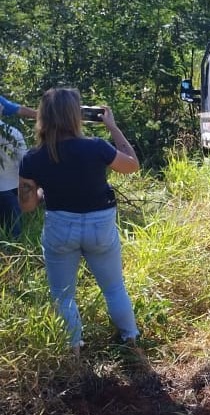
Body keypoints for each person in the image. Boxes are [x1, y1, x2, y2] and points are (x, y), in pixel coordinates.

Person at [18, 87, 140, 354]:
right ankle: (130, 340)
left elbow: (27, 206)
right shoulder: (95, 147)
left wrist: (40, 192)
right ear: (75, 116)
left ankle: (74, 350)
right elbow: (132, 165)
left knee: (63, 295)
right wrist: (113, 127)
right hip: (100, 225)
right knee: (114, 287)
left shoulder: (32, 157)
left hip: (60, 226)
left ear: (44, 117)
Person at [0, 120, 27, 237]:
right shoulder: (13, 133)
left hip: (9, 188)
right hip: (10, 187)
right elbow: (24, 162)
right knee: (13, 234)